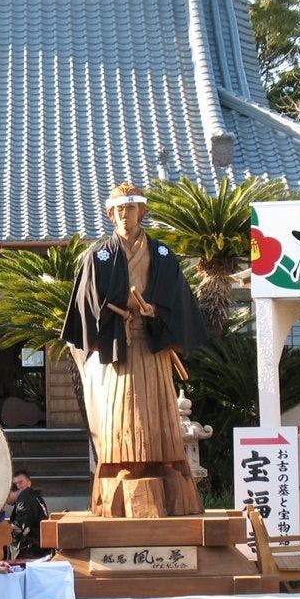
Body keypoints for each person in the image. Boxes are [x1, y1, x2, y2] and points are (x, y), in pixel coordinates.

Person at [61, 181, 207, 518]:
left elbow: (177, 300)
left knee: (158, 407)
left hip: (152, 346)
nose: (125, 215)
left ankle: (165, 463)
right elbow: (87, 304)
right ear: (110, 214)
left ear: (142, 211)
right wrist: (114, 310)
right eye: (119, 209)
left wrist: (155, 311)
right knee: (120, 408)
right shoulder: (97, 256)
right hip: (118, 349)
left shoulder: (162, 255)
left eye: (131, 208)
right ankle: (122, 465)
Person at [9, 469, 49, 559]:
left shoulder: (25, 500)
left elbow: (21, 528)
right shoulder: (36, 497)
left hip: (30, 551)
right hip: (40, 546)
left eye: (20, 482)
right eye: (15, 484)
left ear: (29, 483)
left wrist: (5, 529)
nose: (18, 486)